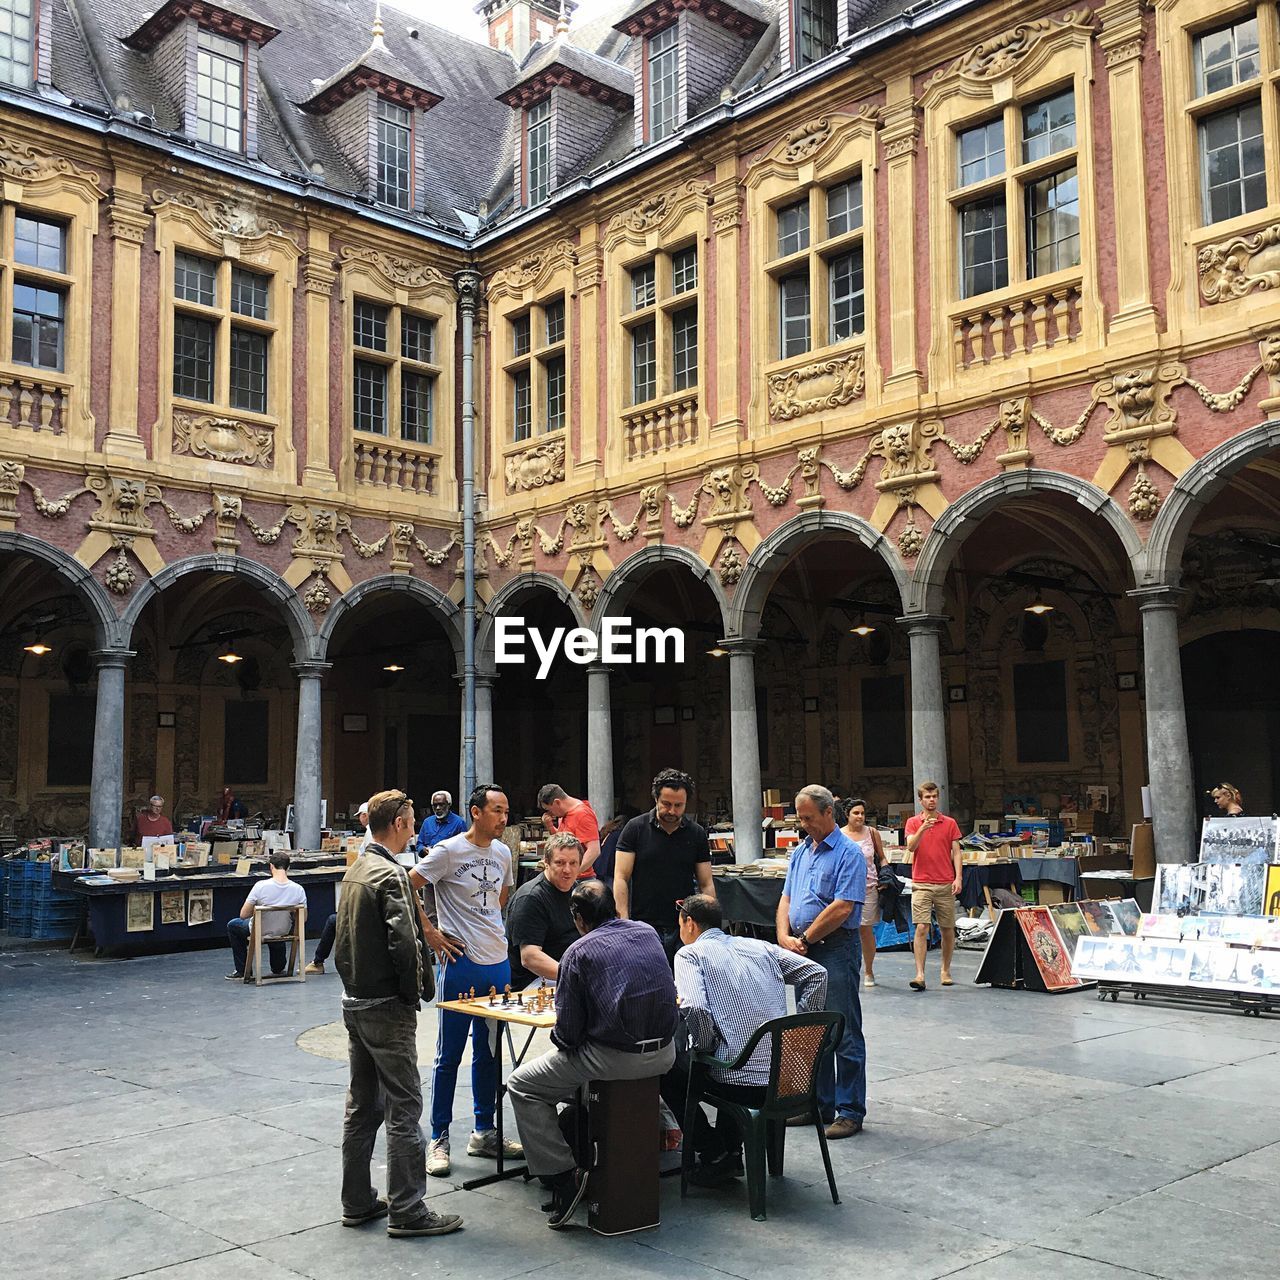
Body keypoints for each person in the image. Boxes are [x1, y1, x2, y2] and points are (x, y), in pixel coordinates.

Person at [507, 880, 677, 1229]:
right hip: (665, 1052)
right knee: (583, 1078)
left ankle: (562, 1177)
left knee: (522, 1083)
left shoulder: (578, 952)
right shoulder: (646, 932)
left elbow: (567, 1035)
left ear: (578, 919)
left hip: (616, 1057)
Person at [334, 789, 462, 1240]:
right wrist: (417, 991)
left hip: (356, 1000)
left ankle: (357, 1199)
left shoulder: (357, 869)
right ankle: (407, 1207)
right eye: (411, 819)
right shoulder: (390, 875)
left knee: (363, 1104)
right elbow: (405, 942)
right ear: (401, 823)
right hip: (387, 1005)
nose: (415, 825)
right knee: (404, 1106)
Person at [667, 894, 827, 1187]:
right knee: (734, 1053)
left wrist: (705, 1046)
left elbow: (694, 1007)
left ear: (689, 923)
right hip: (785, 1079)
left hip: (740, 1081)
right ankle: (729, 1152)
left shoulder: (689, 955)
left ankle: (714, 1151)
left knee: (667, 1072)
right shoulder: (760, 947)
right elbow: (816, 973)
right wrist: (801, 1035)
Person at [411, 783, 522, 1178]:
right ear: (476, 812)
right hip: (459, 965)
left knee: (489, 1052)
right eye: (497, 811)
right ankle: (439, 1137)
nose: (503, 818)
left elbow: (500, 899)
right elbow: (408, 886)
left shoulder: (504, 852)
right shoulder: (448, 851)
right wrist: (432, 932)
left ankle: (485, 1130)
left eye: (506, 811)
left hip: (497, 964)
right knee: (448, 1055)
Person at [775, 784, 866, 1140]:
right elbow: (786, 897)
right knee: (813, 1030)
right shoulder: (801, 852)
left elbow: (843, 907)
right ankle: (818, 1103)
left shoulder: (849, 853)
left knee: (842, 1029)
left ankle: (849, 1110)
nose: (804, 824)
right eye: (801, 818)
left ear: (829, 813)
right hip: (802, 949)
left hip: (834, 948)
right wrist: (783, 935)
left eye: (809, 818)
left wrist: (805, 938)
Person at [614, 768, 715, 963]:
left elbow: (706, 883)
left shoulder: (696, 834)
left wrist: (708, 925)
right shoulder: (635, 829)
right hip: (644, 923)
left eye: (679, 805)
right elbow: (621, 877)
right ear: (655, 799)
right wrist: (623, 921)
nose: (672, 811)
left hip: (685, 925)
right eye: (666, 804)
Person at [904, 781, 963, 991]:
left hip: (945, 881)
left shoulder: (949, 823)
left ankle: (945, 969)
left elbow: (956, 852)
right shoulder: (912, 822)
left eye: (934, 796)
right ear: (920, 800)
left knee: (948, 928)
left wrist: (958, 878)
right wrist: (922, 828)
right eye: (927, 797)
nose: (931, 800)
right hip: (921, 882)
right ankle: (919, 974)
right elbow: (911, 847)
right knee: (921, 926)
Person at [507, 832, 583, 987]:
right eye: (560, 863)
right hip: (536, 980)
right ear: (546, 862)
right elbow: (530, 957)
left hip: (570, 972)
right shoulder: (531, 898)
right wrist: (574, 976)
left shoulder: (579, 892)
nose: (567, 870)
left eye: (573, 863)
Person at [225, 852, 307, 980]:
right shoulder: (298, 889)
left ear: (271, 867)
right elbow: (303, 919)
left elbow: (243, 914)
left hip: (259, 930)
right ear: (288, 868)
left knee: (233, 925)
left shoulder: (260, 886)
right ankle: (278, 968)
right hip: (282, 930)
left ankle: (242, 970)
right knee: (277, 927)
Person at [841, 798, 886, 988]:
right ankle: (846, 968)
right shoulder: (839, 835)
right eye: (856, 813)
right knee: (844, 930)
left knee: (865, 929)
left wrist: (886, 876)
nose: (860, 817)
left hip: (869, 888)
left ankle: (868, 969)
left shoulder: (872, 833)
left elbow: (882, 858)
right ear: (847, 815)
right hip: (844, 889)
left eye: (862, 813)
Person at [538, 783, 601, 877]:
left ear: (557, 802)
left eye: (549, 809)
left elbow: (594, 850)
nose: (549, 813)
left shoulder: (582, 815)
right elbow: (561, 843)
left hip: (580, 879)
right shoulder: (563, 814)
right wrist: (550, 827)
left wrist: (574, 873)